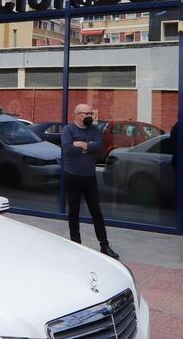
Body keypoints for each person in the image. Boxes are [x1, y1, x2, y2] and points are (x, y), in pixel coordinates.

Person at [61, 104, 119, 259]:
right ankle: (76, 244)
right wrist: (88, 147)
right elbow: (68, 150)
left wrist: (80, 144)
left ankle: (104, 245)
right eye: (88, 113)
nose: (91, 116)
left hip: (90, 177)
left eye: (92, 113)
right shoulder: (68, 130)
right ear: (78, 114)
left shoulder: (94, 130)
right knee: (74, 212)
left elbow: (99, 147)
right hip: (72, 176)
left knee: (96, 212)